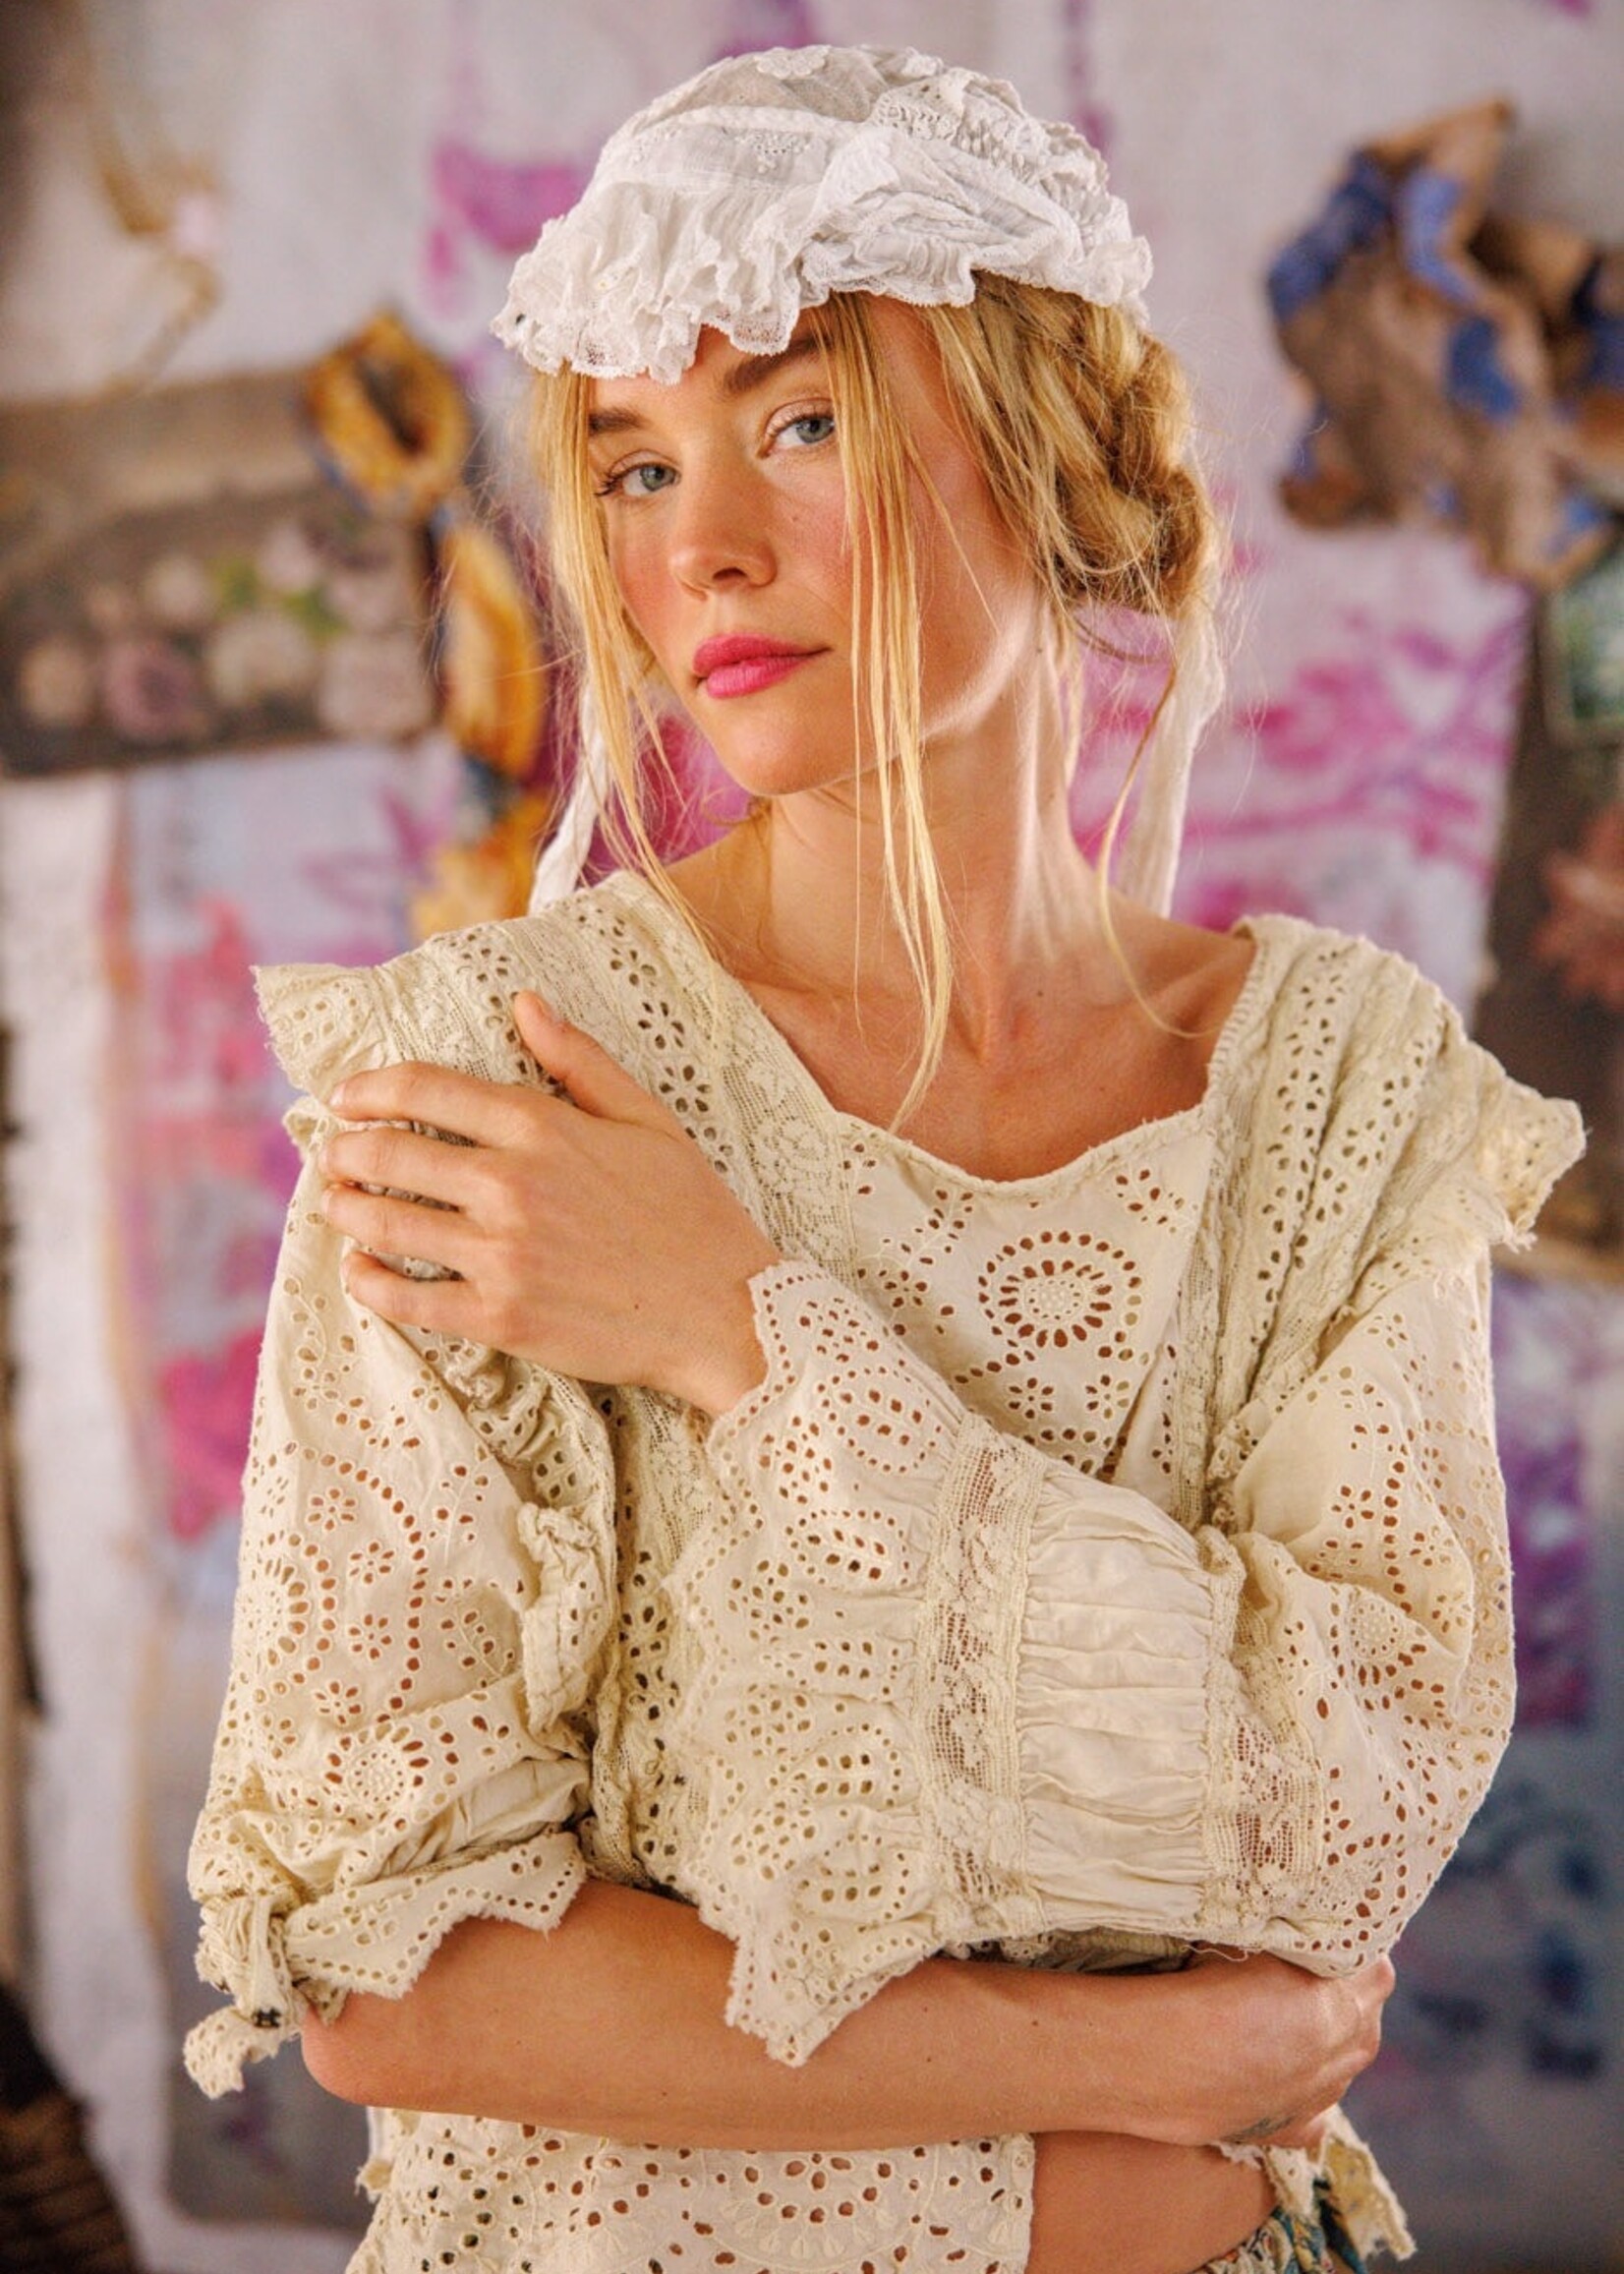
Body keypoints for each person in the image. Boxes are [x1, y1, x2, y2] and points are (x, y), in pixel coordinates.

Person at [185, 44, 1582, 2274]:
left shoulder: (1340, 1093)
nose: (701, 552)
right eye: (636, 466)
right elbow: (395, 1971)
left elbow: (1333, 1824)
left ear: (1059, 450)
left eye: (802, 422)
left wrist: (747, 1339)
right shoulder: (490, 1082)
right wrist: (1129, 2095)